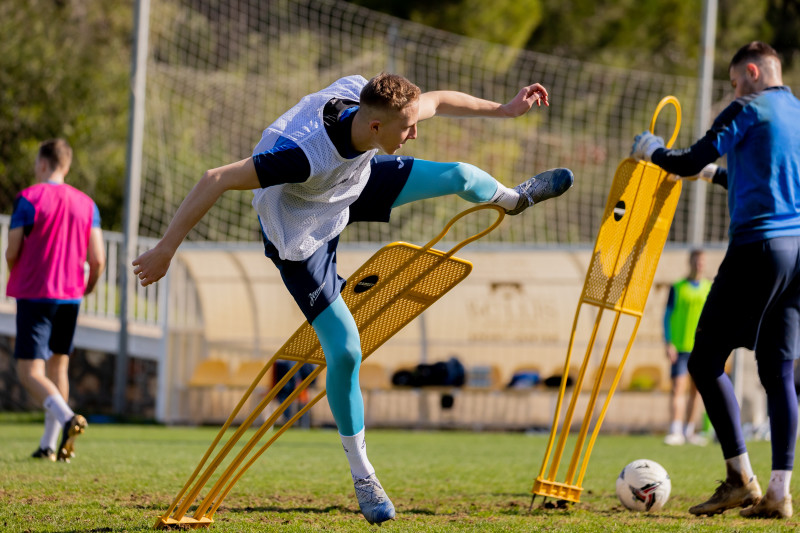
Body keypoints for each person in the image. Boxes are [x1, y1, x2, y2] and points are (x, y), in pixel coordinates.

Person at [133, 72, 573, 524]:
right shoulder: (301, 157)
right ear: (377, 127)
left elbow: (437, 102)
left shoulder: (374, 107)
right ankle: (363, 474)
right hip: (300, 234)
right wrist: (167, 248)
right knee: (345, 350)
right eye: (408, 129)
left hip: (349, 186)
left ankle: (513, 200)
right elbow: (216, 178)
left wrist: (504, 108)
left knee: (461, 174)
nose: (415, 132)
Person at [631, 41, 800, 518]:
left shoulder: (748, 106)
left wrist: (653, 151)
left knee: (704, 361)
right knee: (778, 371)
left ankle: (739, 479)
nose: (733, 90)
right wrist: (712, 175)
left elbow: (684, 159)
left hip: (757, 249)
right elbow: (765, 177)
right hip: (797, 252)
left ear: (751, 72)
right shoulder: (795, 113)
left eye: (732, 82)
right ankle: (779, 492)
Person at [6, 138, 106, 462]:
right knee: (57, 367)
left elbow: (11, 250)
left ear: (44, 164)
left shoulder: (28, 198)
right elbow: (99, 258)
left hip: (35, 292)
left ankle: (67, 420)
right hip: (70, 297)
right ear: (67, 165)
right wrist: (87, 286)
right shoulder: (87, 204)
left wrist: (16, 271)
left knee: (28, 372)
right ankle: (50, 446)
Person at [663, 249, 711, 446]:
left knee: (697, 391)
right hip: (681, 347)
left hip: (701, 347)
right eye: (695, 261)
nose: (698, 265)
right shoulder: (677, 287)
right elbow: (666, 316)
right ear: (689, 262)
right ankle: (675, 430)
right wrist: (669, 342)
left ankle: (689, 431)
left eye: (701, 262)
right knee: (678, 388)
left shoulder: (709, 287)